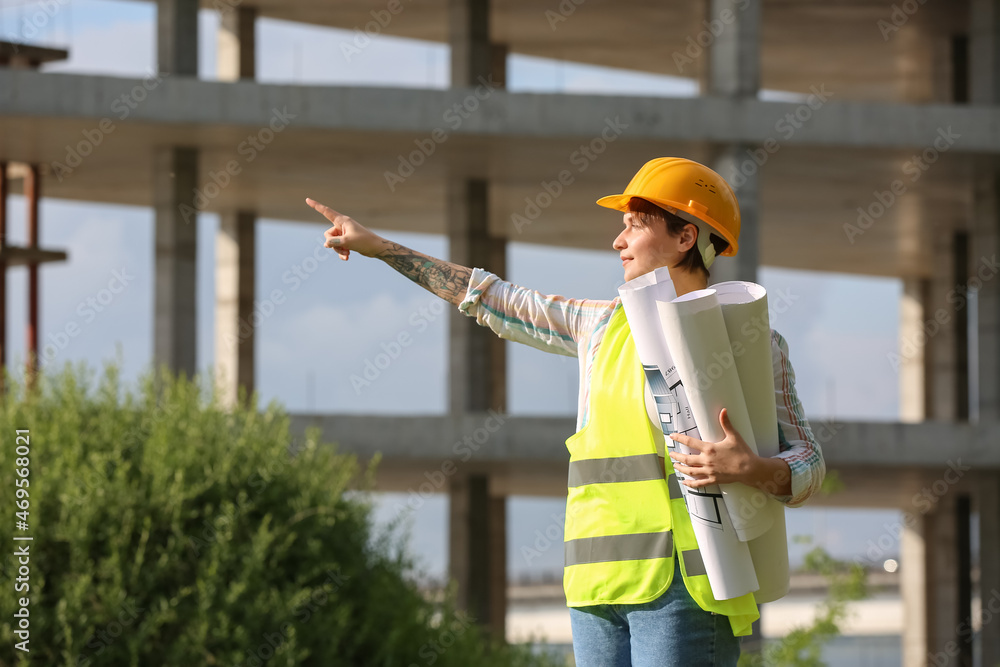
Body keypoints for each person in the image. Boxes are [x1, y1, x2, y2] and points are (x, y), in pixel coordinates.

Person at [305, 156, 826, 667]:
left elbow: (810, 460)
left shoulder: (754, 341)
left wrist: (757, 470)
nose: (617, 241)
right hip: (595, 587)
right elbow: (492, 299)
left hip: (686, 589)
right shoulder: (598, 329)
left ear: (685, 237)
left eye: (634, 226)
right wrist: (381, 249)